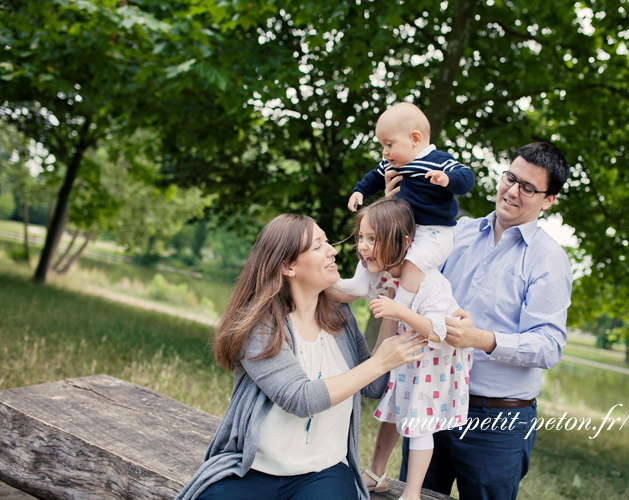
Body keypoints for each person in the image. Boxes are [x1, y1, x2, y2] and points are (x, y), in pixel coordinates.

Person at [175, 214, 427, 500]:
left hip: (323, 471)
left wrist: (391, 309)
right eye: (319, 246)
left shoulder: (340, 317)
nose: (333, 250)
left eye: (327, 242)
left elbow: (373, 386)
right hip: (254, 470)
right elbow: (300, 398)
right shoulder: (260, 326)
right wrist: (380, 362)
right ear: (288, 266)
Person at [396, 141, 573, 500]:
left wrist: (480, 338)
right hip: (433, 397)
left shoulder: (549, 260)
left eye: (528, 188)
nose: (512, 191)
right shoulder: (456, 231)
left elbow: (549, 346)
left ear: (548, 200)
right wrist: (392, 205)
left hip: (497, 422)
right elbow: (407, 275)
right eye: (510, 178)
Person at [335, 198, 473, 500]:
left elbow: (438, 331)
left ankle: (411, 494)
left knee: (419, 423)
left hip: (434, 363)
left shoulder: (430, 282)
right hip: (409, 356)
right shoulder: (383, 273)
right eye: (361, 237)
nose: (363, 247)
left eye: (373, 239)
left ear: (405, 242)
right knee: (393, 412)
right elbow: (349, 291)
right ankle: (376, 473)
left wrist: (399, 310)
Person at [335, 102, 474, 318]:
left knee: (412, 262)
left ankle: (401, 304)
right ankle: (360, 283)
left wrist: (447, 179)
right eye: (382, 145)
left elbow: (466, 177)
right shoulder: (393, 164)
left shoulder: (438, 161)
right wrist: (359, 191)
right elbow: (373, 177)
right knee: (374, 246)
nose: (385, 151)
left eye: (389, 144)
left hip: (434, 232)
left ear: (415, 139)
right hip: (405, 228)